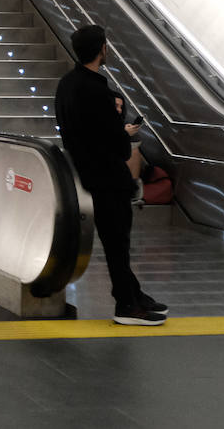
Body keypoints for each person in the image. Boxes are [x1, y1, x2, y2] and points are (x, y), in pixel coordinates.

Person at [55, 25, 168, 326]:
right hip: (108, 177)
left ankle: (132, 292)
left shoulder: (67, 84)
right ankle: (126, 305)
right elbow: (116, 144)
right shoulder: (96, 89)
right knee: (117, 242)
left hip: (86, 172)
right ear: (101, 49)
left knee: (115, 240)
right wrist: (122, 132)